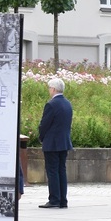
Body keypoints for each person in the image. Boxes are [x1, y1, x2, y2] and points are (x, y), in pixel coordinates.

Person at [38, 77, 73, 209]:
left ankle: (54, 199)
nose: (49, 91)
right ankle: (63, 200)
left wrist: (41, 137)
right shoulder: (67, 104)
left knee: (52, 171)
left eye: (49, 88)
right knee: (61, 171)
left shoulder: (51, 105)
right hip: (64, 142)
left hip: (52, 143)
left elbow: (44, 124)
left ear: (53, 89)